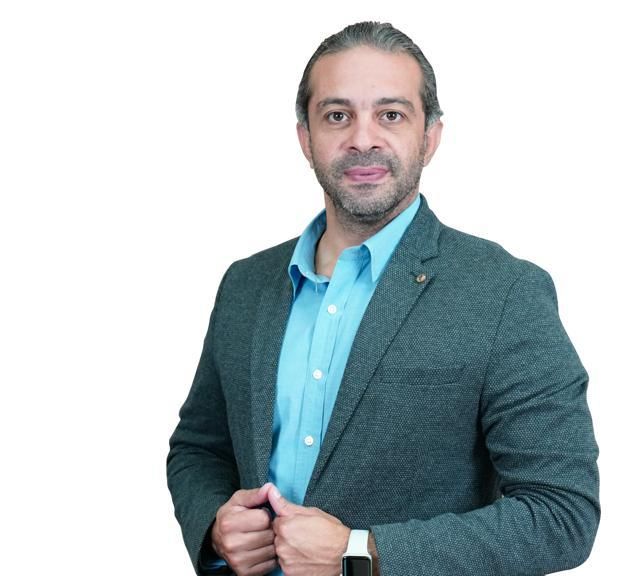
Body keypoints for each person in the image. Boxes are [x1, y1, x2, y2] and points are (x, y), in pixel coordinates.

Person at [167, 21, 600, 576]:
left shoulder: (504, 293)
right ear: (305, 138)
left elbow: (562, 514)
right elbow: (199, 448)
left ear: (431, 136)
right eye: (337, 115)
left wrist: (361, 552)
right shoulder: (245, 285)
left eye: (391, 115)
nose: (363, 139)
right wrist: (214, 525)